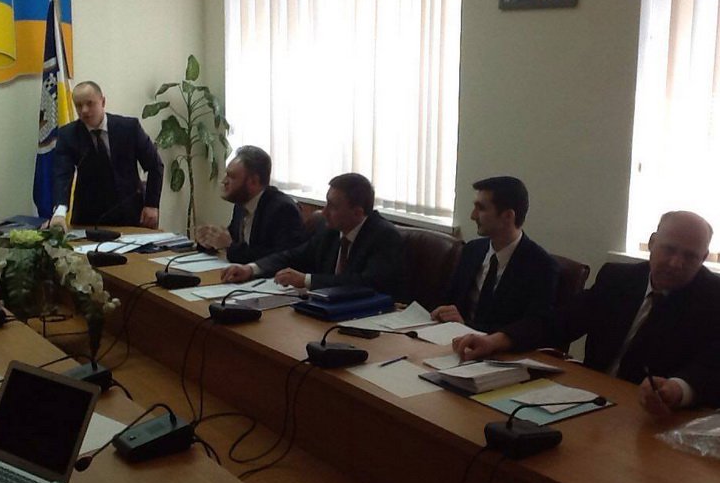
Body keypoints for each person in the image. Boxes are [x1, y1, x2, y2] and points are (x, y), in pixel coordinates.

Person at [453, 211, 720, 414]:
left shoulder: (712, 298)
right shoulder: (618, 278)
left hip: (652, 416)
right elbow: (561, 321)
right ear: (652, 243)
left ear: (704, 257)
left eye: (690, 256)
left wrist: (677, 389)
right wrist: (496, 340)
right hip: (590, 400)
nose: (676, 263)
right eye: (669, 249)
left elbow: (713, 368)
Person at [220, 173, 403, 295]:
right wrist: (251, 269)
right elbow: (294, 255)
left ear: (357, 212)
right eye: (326, 203)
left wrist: (306, 280)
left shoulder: (384, 236)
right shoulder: (329, 230)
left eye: (333, 206)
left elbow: (366, 283)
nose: (324, 212)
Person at [431, 176, 559, 333]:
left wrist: (466, 327)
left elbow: (531, 329)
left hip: (496, 346)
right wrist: (442, 312)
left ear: (508, 216)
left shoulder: (542, 267)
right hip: (451, 339)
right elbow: (449, 300)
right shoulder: (472, 250)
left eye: (481, 208)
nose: (473, 216)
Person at [50, 81, 164, 229]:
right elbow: (62, 174)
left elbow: (155, 165)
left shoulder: (129, 128)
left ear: (103, 102)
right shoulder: (68, 135)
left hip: (129, 211)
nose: (84, 110)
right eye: (78, 105)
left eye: (90, 103)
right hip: (88, 215)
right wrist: (60, 212)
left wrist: (151, 204)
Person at [195, 146, 305, 263]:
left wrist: (229, 246)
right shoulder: (242, 203)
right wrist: (210, 241)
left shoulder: (282, 209)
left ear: (253, 182)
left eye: (231, 177)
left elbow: (280, 258)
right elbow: (232, 240)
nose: (224, 181)